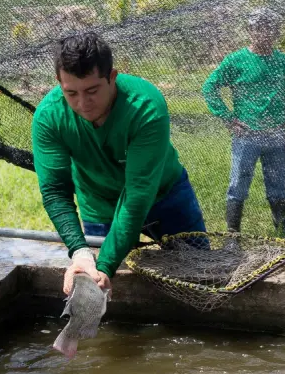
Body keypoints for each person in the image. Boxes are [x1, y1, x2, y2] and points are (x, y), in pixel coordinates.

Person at [31, 31, 207, 297]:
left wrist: (106, 263)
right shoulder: (49, 116)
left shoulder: (145, 107)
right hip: (100, 203)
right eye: (71, 93)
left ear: (112, 77)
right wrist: (81, 255)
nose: (82, 103)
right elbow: (55, 191)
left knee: (200, 276)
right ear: (59, 83)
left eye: (92, 90)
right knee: (99, 286)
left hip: (165, 194)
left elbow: (137, 195)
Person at [201, 7, 285, 236]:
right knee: (238, 186)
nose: (265, 34)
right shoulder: (237, 61)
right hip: (246, 136)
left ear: (276, 32)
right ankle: (233, 236)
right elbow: (209, 88)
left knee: (278, 188)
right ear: (250, 31)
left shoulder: (281, 61)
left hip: (277, 136)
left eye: (270, 29)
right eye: (259, 28)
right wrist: (228, 118)